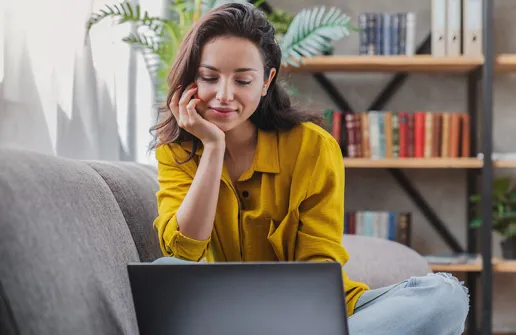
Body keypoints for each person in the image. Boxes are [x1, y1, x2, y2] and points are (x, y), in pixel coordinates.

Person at [149, 3, 469, 334]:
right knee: (165, 267)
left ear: (266, 81)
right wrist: (213, 148)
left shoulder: (313, 147)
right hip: (227, 316)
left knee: (445, 295)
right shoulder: (177, 150)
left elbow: (320, 265)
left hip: (320, 317)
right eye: (209, 77)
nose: (224, 95)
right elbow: (184, 253)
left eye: (243, 80)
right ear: (191, 81)